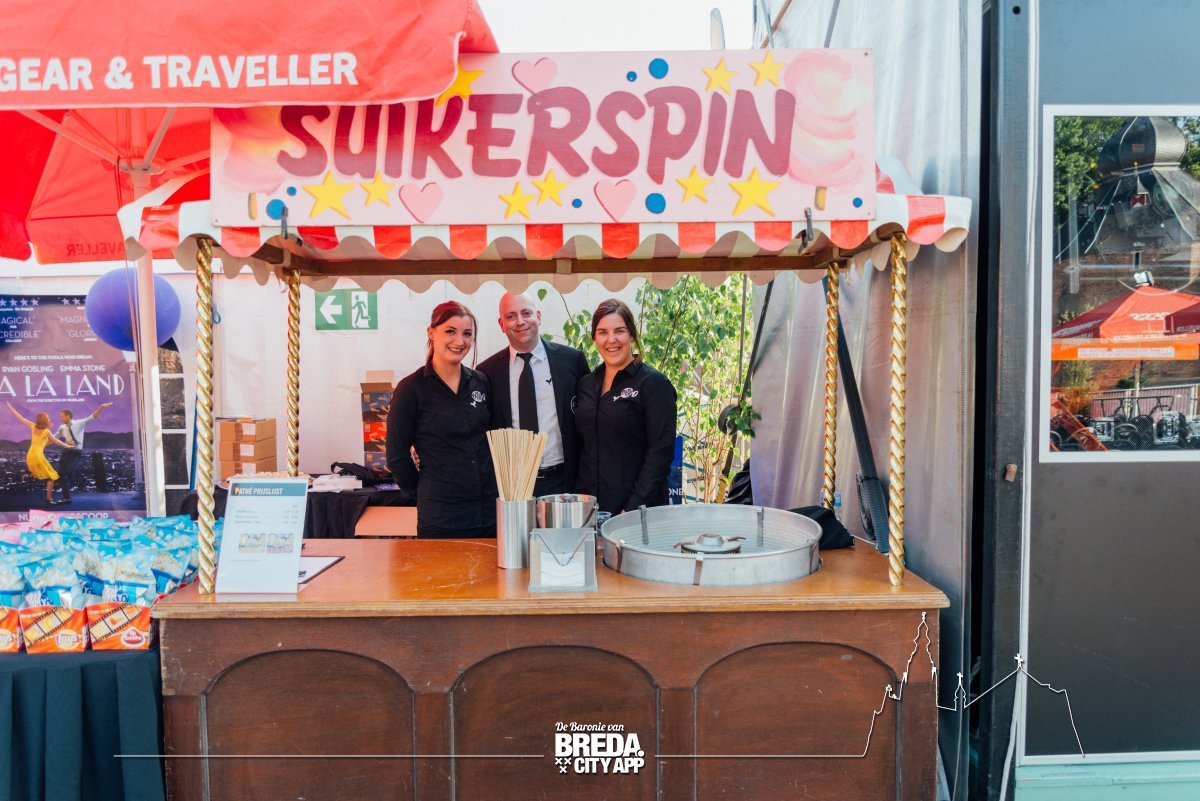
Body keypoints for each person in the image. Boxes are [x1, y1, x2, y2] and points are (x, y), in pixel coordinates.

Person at [386, 301, 498, 538]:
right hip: (441, 516)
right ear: (431, 333)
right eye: (450, 331)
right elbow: (396, 455)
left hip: (487, 512)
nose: (460, 341)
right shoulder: (411, 389)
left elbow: (493, 440)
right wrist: (423, 490)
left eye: (467, 334)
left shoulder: (481, 382)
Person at [477, 292, 591, 496]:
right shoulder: (487, 372)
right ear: (501, 324)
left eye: (526, 313)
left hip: (564, 483)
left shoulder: (572, 361)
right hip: (513, 487)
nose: (520, 322)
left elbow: (588, 421)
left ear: (538, 316)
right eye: (511, 316)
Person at [574, 299, 677, 515]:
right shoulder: (585, 384)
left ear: (631, 335)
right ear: (594, 338)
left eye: (619, 331)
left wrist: (631, 509)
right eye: (602, 332)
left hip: (636, 511)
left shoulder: (654, 384)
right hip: (588, 510)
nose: (611, 340)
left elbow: (660, 453)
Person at [6, 402, 71, 506]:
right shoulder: (46, 431)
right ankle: (48, 500)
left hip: (30, 454)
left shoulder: (33, 426)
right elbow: (56, 441)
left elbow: (20, 417)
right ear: (44, 420)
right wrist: (68, 446)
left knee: (44, 474)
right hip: (38, 455)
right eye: (48, 418)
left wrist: (10, 407)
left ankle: (29, 474)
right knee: (51, 477)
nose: (49, 419)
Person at [53, 402, 113, 504]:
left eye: (62, 416)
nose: (61, 418)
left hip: (75, 452)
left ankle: (67, 496)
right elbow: (54, 437)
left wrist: (101, 407)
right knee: (60, 474)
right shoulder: (62, 427)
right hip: (66, 452)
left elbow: (93, 416)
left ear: (68, 416)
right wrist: (42, 443)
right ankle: (66, 497)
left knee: (67, 473)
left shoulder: (79, 423)